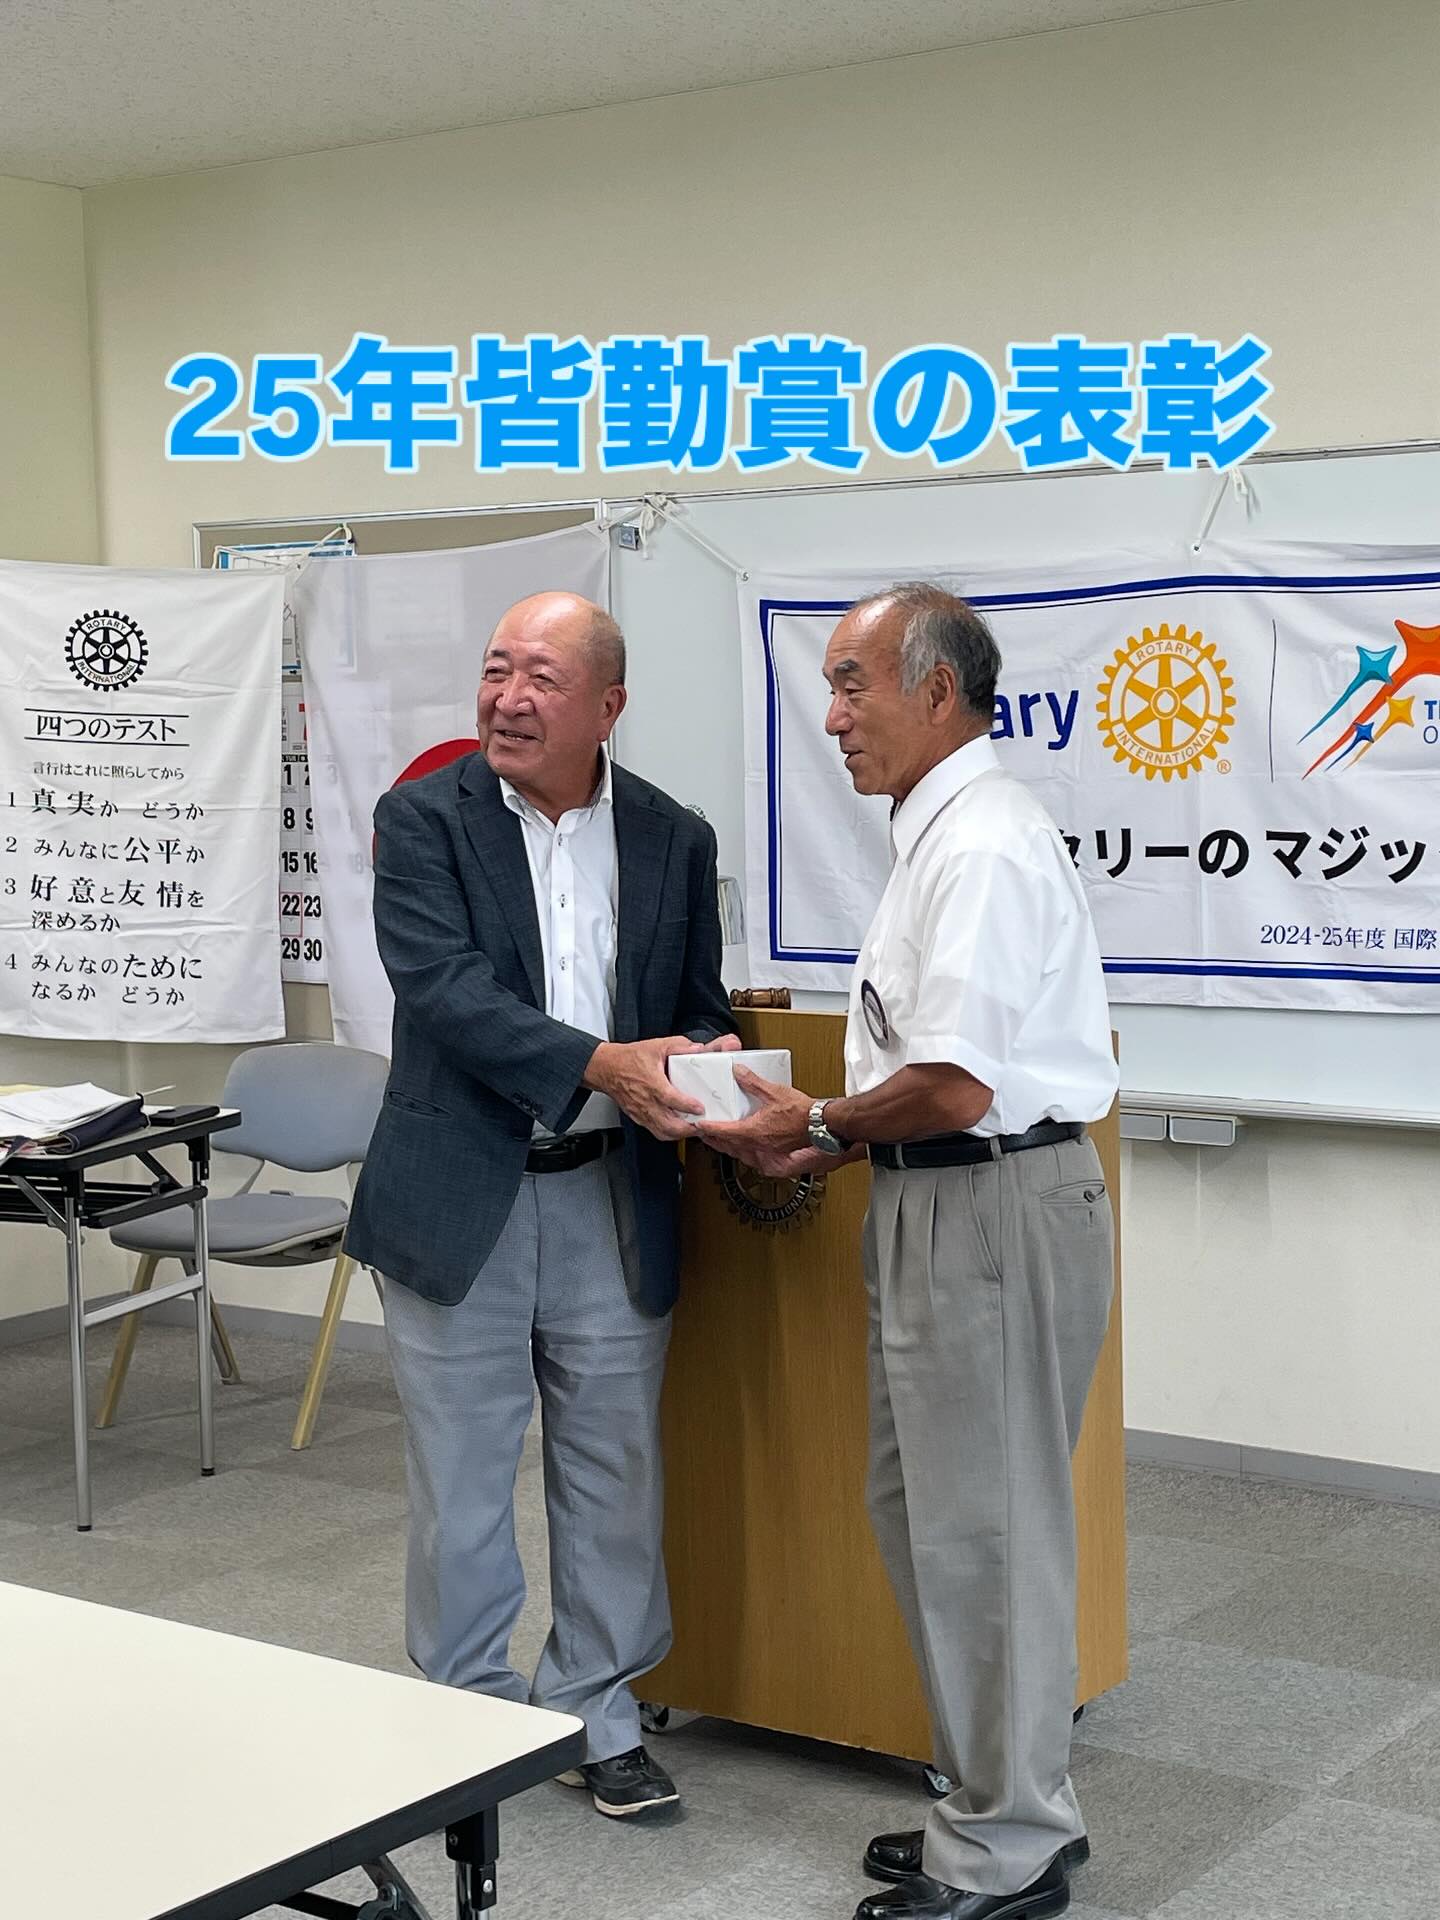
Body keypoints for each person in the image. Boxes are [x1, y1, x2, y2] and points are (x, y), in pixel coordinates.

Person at [705, 584, 1117, 1920]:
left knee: (984, 1531)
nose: (832, 718)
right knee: (934, 1517)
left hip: (990, 1203)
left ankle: (1007, 1846)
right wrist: (829, 1142)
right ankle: (996, 1800)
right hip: (945, 1197)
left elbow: (953, 1084)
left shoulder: (981, 843)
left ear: (936, 691)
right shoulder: (940, 833)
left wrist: (820, 1120)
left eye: (852, 684)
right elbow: (933, 1075)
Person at [347, 590, 738, 1820]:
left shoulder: (674, 835)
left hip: (611, 1198)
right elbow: (445, 990)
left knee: (614, 1473)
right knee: (461, 1480)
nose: (508, 699)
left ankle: (595, 1714)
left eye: (542, 679)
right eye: (496, 670)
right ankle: (463, 1717)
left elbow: (697, 999)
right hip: (458, 1198)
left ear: (608, 706)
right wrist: (602, 1064)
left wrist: (711, 1058)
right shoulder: (422, 818)